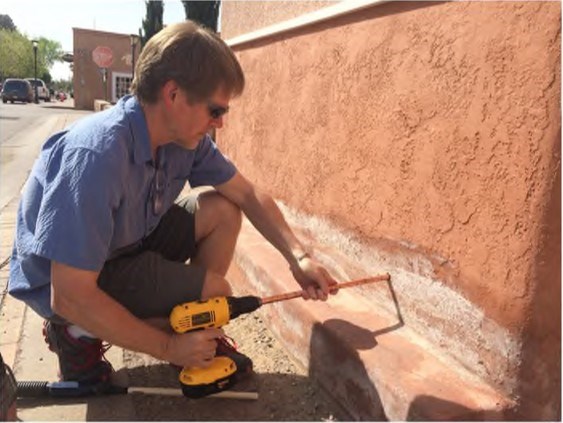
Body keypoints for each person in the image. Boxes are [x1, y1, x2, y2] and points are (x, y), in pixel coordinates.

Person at [7, 20, 338, 385]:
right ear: (173, 94)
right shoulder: (96, 155)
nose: (220, 124)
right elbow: (68, 293)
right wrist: (167, 347)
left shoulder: (184, 140)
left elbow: (245, 194)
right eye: (216, 111)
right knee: (217, 292)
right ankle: (76, 335)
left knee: (223, 210)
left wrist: (299, 257)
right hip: (69, 280)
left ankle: (184, 332)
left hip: (122, 244)